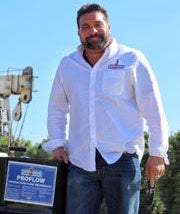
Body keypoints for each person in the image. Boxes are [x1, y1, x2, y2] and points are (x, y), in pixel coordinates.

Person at [43, 3, 169, 214]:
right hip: (80, 163)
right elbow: (57, 109)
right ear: (78, 33)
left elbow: (153, 109)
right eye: (85, 27)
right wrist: (56, 144)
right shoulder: (67, 65)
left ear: (108, 26)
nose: (92, 31)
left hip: (122, 161)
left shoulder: (132, 59)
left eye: (98, 25)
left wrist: (157, 153)